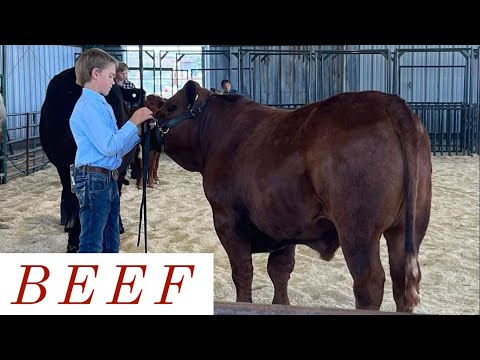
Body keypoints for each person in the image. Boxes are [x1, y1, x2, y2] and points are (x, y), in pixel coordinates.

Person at [69, 48, 153, 253]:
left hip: (106, 178)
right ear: (95, 74)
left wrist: (138, 130)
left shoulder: (101, 105)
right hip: (94, 179)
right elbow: (109, 146)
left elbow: (117, 146)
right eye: (110, 76)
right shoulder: (88, 106)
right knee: (91, 244)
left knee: (110, 242)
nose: (113, 82)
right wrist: (133, 121)